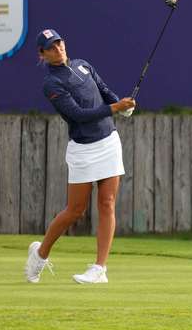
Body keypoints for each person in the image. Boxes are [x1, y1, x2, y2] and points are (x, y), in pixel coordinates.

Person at [25, 29, 137, 284]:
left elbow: (104, 90)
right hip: (83, 149)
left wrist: (122, 105)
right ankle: (40, 255)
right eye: (51, 47)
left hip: (109, 142)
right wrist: (114, 108)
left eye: (59, 42)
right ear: (42, 54)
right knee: (75, 210)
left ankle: (100, 269)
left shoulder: (83, 64)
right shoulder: (51, 84)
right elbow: (78, 114)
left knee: (107, 203)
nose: (58, 48)